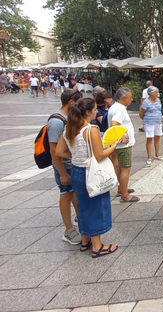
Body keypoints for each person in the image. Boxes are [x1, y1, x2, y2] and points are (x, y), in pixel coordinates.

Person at [55, 97, 119, 258]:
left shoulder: (69, 128)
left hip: (76, 171)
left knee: (83, 207)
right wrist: (113, 146)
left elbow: (59, 152)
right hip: (91, 172)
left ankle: (85, 241)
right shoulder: (91, 130)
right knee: (95, 207)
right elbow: (99, 155)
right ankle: (97, 246)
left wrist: (77, 155)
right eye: (95, 109)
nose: (97, 111)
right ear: (88, 112)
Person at [48, 89, 84, 245]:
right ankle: (68, 230)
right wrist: (62, 173)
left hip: (73, 163)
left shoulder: (69, 117)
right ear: (71, 102)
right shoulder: (56, 121)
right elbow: (54, 150)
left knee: (74, 193)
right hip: (64, 166)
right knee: (66, 194)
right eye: (78, 103)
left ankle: (79, 219)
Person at [108, 87, 139, 203]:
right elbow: (114, 124)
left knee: (121, 167)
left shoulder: (115, 107)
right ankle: (125, 195)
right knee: (126, 168)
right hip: (123, 145)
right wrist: (121, 139)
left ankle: (122, 188)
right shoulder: (120, 109)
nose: (132, 100)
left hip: (119, 145)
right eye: (130, 98)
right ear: (124, 98)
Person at [140, 86, 163, 166]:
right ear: (151, 94)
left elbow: (159, 110)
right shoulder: (146, 102)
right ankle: (149, 157)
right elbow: (141, 113)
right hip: (149, 122)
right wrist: (145, 120)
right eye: (156, 93)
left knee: (157, 137)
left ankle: (157, 154)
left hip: (158, 121)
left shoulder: (158, 101)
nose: (157, 94)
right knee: (149, 139)